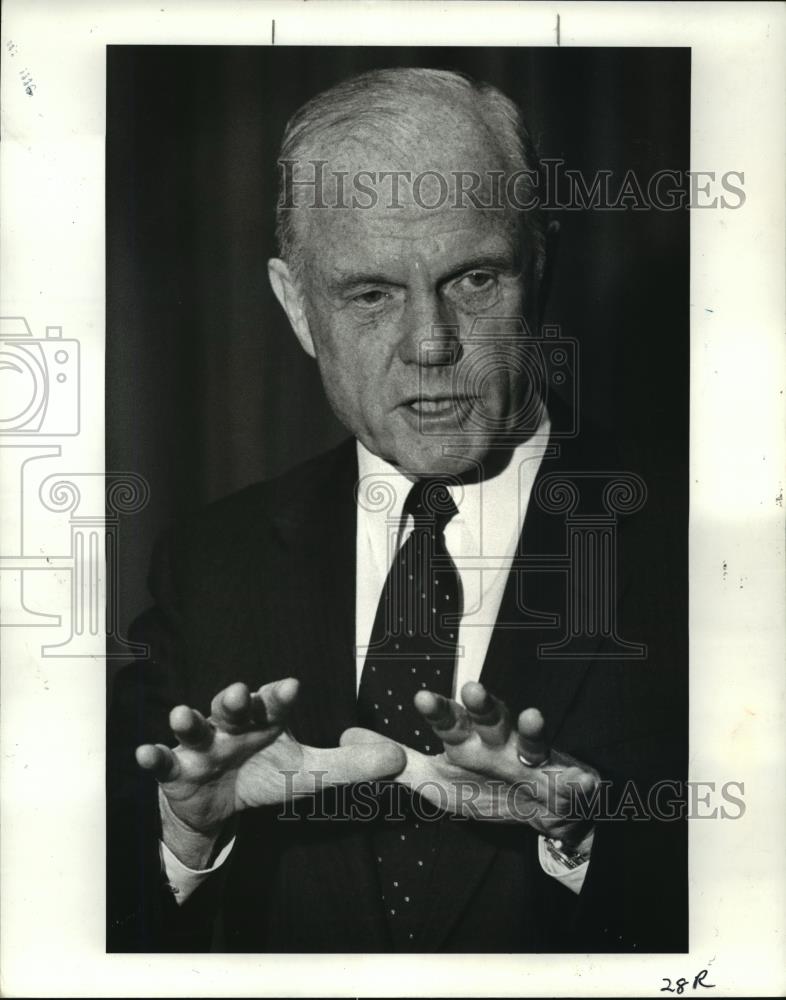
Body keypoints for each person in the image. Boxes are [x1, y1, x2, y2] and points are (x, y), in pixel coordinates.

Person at [108, 67, 687, 953]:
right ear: (298, 308)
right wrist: (185, 833)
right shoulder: (212, 559)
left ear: (543, 265)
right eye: (371, 294)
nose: (430, 343)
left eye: (475, 280)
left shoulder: (706, 543)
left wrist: (588, 837)